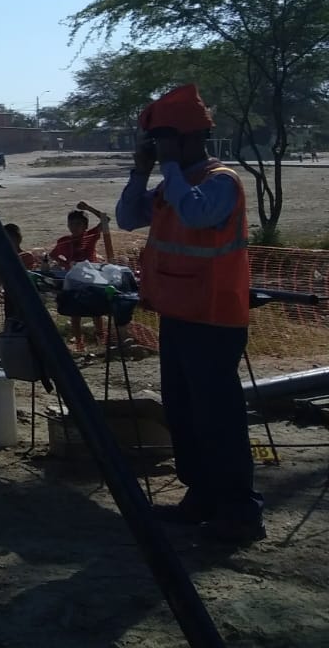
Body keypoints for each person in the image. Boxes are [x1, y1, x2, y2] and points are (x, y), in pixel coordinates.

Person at [116, 84, 260, 544]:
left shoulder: (221, 182)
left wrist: (171, 168)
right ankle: (201, 497)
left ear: (190, 138)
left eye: (163, 140)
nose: (158, 149)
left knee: (218, 419)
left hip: (214, 319)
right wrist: (141, 172)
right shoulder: (170, 185)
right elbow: (127, 218)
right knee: (184, 414)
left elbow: (197, 216)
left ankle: (239, 512)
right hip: (179, 315)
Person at [50, 203, 116, 351]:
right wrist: (66, 264)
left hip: (92, 278)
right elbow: (53, 255)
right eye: (71, 224)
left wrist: (88, 208)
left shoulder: (90, 236)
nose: (74, 227)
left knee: (96, 310)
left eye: (78, 224)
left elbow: (106, 220)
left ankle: (101, 340)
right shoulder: (64, 241)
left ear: (85, 226)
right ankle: (79, 343)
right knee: (75, 312)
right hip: (74, 279)